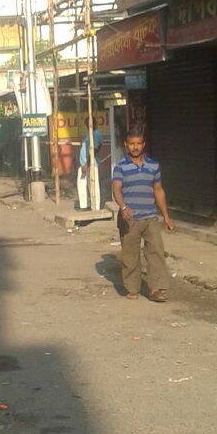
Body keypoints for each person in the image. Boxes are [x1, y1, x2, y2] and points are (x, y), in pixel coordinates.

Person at [112, 127, 174, 302]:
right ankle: (132, 289)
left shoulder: (153, 165)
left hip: (150, 218)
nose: (135, 147)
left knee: (156, 253)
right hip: (129, 219)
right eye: (132, 143)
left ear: (143, 144)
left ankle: (156, 289)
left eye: (138, 143)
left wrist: (166, 217)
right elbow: (116, 190)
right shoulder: (120, 167)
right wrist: (123, 207)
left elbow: (158, 190)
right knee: (130, 256)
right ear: (126, 145)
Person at [77, 119, 103, 211]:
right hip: (84, 163)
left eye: (88, 124)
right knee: (82, 183)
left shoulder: (96, 134)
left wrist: (87, 164)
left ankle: (95, 207)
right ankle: (84, 205)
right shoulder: (89, 134)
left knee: (93, 185)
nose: (87, 126)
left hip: (90, 164)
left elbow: (94, 150)